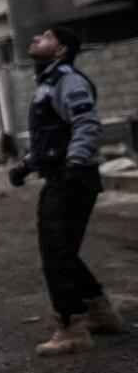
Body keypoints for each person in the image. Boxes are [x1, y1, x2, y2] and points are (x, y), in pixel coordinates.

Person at [7, 27, 124, 356]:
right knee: (63, 251)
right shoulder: (48, 83)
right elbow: (51, 139)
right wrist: (27, 166)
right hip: (63, 175)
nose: (35, 39)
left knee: (55, 252)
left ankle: (71, 327)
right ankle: (101, 313)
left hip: (73, 178)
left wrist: (74, 164)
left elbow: (87, 124)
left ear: (61, 50)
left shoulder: (68, 81)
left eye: (45, 37)